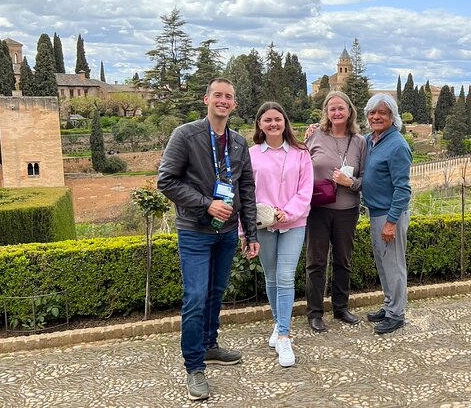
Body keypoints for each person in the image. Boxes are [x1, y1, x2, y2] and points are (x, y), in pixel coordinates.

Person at [157, 78, 260, 401]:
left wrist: (250, 233)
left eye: (229, 97)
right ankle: (194, 366)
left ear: (235, 104)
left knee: (216, 292)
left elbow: (246, 190)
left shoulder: (239, 143)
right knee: (196, 297)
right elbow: (166, 181)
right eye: (218, 95)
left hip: (227, 232)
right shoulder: (185, 135)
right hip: (195, 231)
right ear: (206, 99)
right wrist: (206, 203)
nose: (223, 101)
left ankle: (211, 345)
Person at [248, 101, 313, 367]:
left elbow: (305, 189)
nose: (273, 124)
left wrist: (288, 212)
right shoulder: (250, 154)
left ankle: (285, 335)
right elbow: (245, 193)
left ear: (285, 122)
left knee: (285, 277)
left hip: (293, 223)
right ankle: (278, 323)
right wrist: (245, 230)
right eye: (267, 120)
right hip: (263, 226)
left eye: (278, 119)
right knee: (272, 277)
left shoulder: (300, 153)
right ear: (260, 125)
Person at [304, 91, 366, 332]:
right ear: (326, 113)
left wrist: (350, 184)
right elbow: (300, 167)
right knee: (316, 262)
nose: (337, 113)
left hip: (347, 210)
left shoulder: (360, 141)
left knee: (343, 260)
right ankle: (315, 312)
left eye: (341, 108)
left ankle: (341, 308)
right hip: (318, 210)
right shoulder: (315, 136)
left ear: (350, 111)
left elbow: (365, 179)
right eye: (332, 109)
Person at [361, 93, 412, 335]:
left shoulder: (397, 145)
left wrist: (391, 222)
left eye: (382, 112)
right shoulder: (371, 140)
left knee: (393, 265)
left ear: (393, 116)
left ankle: (397, 315)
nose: (376, 116)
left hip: (390, 215)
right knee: (383, 263)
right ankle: (389, 305)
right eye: (372, 112)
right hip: (376, 212)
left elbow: (403, 189)